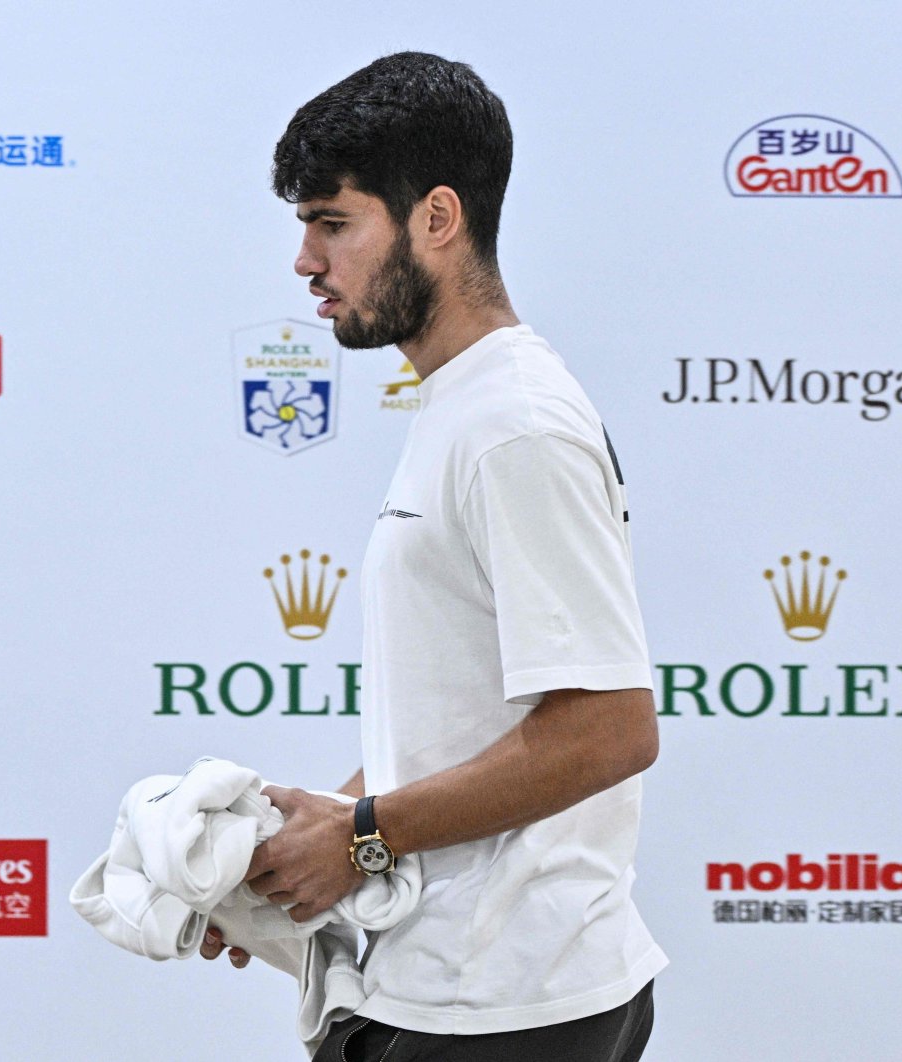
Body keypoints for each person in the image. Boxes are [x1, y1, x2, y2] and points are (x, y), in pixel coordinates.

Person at [199, 53, 666, 1061]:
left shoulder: (516, 427)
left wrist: (360, 836)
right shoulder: (462, 405)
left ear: (436, 219)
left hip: (514, 1005)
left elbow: (608, 730)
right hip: (436, 985)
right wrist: (298, 849)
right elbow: (469, 715)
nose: (304, 261)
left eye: (332, 222)